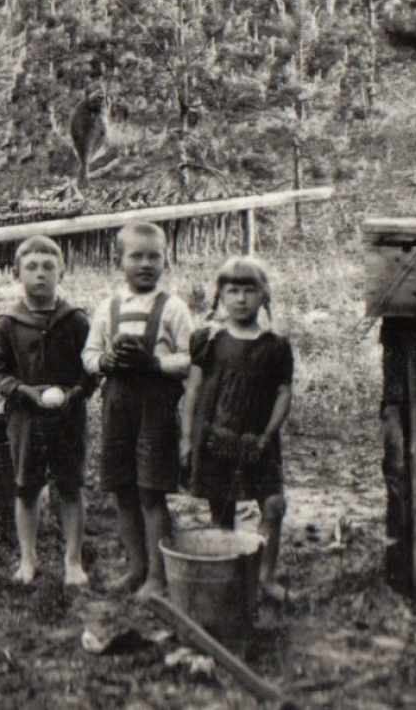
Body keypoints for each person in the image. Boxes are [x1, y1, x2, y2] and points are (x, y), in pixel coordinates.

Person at [82, 222, 195, 598]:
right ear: (119, 261)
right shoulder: (108, 307)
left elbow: (191, 358)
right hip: (117, 410)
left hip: (156, 410)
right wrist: (106, 362)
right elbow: (89, 355)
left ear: (166, 260)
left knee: (151, 492)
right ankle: (136, 568)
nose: (146, 264)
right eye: (136, 256)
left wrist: (155, 363)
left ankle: (158, 578)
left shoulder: (174, 308)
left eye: (154, 256)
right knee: (123, 491)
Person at [0, 235, 97, 588]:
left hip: (68, 419)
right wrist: (22, 391)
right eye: (31, 267)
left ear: (62, 271)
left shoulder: (76, 320)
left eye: (49, 266)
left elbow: (92, 368)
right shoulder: (8, 323)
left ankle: (73, 560)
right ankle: (28, 558)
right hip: (25, 419)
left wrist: (75, 393)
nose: (40, 274)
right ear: (16, 272)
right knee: (26, 488)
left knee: (71, 486)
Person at [184, 256, 295, 602]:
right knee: (222, 512)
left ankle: (264, 578)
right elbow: (193, 390)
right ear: (220, 295)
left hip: (259, 442)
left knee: (274, 504)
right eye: (233, 290)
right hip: (218, 438)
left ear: (264, 296)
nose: (241, 299)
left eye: (250, 290)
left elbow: (283, 392)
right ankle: (229, 578)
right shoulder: (209, 341)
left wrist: (267, 435)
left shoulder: (275, 346)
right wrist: (187, 439)